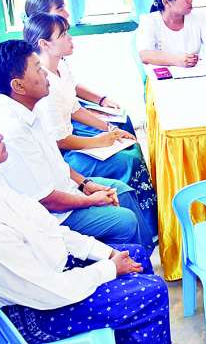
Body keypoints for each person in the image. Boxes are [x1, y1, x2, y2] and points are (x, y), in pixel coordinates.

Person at [0, 104, 170, 344]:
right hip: (33, 310)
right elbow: (45, 290)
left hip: (51, 274)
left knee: (135, 255)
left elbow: (52, 230)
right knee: (151, 292)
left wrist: (108, 254)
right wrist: (109, 268)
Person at [0, 40, 150, 249]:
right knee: (125, 220)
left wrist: (85, 184)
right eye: (38, 69)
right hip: (52, 215)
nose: (45, 73)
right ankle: (122, 261)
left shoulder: (30, 106)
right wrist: (91, 200)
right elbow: (45, 200)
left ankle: (141, 260)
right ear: (18, 85)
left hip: (66, 190)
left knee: (123, 192)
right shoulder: (12, 130)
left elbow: (56, 163)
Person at [24, 13, 158, 249]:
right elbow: (60, 141)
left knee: (131, 146)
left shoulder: (60, 67)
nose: (70, 38)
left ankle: (148, 230)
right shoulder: (45, 86)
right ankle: (144, 232)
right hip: (68, 156)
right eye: (63, 35)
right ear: (44, 44)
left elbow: (75, 108)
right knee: (128, 161)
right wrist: (99, 141)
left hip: (72, 146)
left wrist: (110, 129)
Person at [24, 0, 124, 112]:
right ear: (42, 17)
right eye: (60, 9)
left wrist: (102, 100)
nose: (67, 14)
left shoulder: (58, 58)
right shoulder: (38, 67)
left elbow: (69, 85)